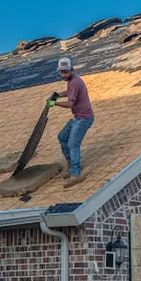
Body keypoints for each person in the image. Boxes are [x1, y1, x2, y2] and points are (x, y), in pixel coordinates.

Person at [48, 57, 94, 188]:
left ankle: (76, 174)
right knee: (62, 137)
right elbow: (69, 92)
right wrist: (57, 95)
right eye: (61, 72)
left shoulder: (74, 82)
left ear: (72, 70)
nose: (63, 75)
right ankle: (71, 164)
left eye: (66, 72)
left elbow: (69, 104)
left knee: (73, 144)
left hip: (84, 118)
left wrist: (54, 103)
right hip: (78, 117)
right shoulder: (72, 80)